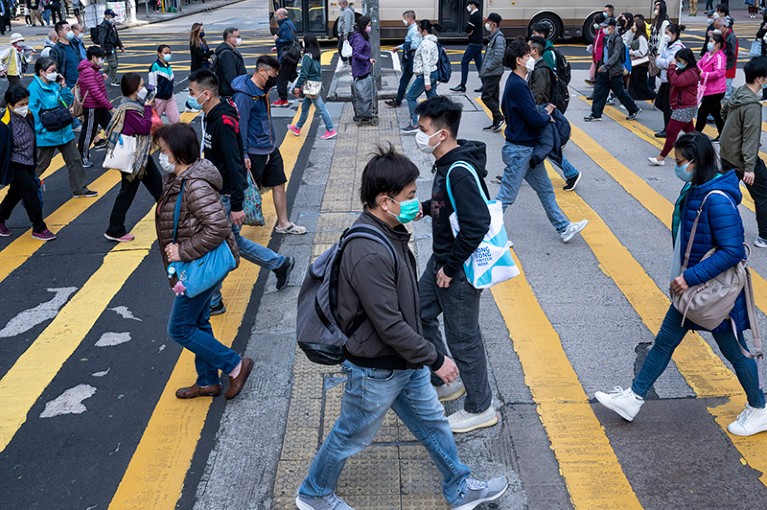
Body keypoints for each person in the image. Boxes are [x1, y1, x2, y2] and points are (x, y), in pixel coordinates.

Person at [295, 145, 510, 510]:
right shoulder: (370, 252)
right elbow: (390, 324)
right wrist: (436, 358)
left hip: (402, 363)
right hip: (376, 368)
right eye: (410, 197)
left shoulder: (386, 231)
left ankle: (460, 486)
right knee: (350, 435)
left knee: (434, 425)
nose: (415, 204)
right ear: (385, 201)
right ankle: (313, 494)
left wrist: (421, 358)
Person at [595, 132, 767, 437]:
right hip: (692, 292)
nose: (677, 167)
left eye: (681, 162)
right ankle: (633, 399)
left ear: (696, 162)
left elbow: (733, 250)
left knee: (736, 352)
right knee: (664, 341)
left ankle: (759, 408)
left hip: (715, 295)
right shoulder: (697, 188)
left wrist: (689, 277)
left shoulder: (717, 200)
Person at [154, 122, 254, 402]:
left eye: (163, 150)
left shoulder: (194, 185)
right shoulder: (180, 178)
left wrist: (182, 251)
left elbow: (218, 227)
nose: (161, 155)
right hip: (196, 266)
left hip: (197, 267)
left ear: (177, 151)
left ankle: (234, 365)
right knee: (198, 322)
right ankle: (208, 381)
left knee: (180, 328)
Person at [412, 96, 495, 433]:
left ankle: (480, 407)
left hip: (456, 268)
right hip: (443, 258)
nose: (419, 135)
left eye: (423, 129)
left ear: (442, 134)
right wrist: (422, 208)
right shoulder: (447, 164)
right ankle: (448, 375)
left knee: (464, 337)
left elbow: (478, 222)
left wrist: (449, 268)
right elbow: (445, 204)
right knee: (418, 312)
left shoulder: (458, 170)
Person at [188, 69, 296, 314]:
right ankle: (279, 264)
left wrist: (236, 204)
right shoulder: (212, 114)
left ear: (206, 94)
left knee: (219, 246)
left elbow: (234, 164)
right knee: (232, 242)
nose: (190, 97)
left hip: (225, 194)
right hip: (217, 191)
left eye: (192, 92)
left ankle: (214, 300)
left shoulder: (222, 121)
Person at [499, 39, 588, 242]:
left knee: (546, 189)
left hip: (526, 149)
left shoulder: (516, 82)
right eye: (528, 55)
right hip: (520, 150)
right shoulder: (517, 84)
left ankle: (564, 228)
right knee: (506, 196)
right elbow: (532, 117)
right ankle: (488, 234)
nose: (532, 58)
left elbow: (511, 111)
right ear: (519, 60)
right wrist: (546, 115)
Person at [232, 56, 307, 237]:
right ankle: (230, 233)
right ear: (262, 71)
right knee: (247, 192)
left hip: (270, 147)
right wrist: (243, 154)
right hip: (253, 151)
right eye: (273, 74)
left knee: (279, 183)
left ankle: (284, 223)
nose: (275, 77)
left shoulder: (263, 90)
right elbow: (240, 127)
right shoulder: (244, 95)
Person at [102, 73, 162, 242]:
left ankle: (116, 228)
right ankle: (115, 228)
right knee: (150, 190)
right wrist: (149, 109)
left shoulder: (133, 104)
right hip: (136, 158)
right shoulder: (130, 109)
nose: (144, 88)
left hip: (138, 156)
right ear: (135, 88)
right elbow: (143, 127)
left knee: (153, 190)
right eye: (142, 85)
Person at [28, 57, 96, 198]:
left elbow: (67, 102)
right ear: (42, 72)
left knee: (74, 159)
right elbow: (31, 114)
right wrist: (42, 130)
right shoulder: (34, 89)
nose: (55, 73)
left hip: (63, 130)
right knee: (41, 164)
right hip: (47, 134)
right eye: (52, 70)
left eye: (55, 70)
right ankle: (23, 188)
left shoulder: (54, 84)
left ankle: (80, 189)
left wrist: (64, 86)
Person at [720, 56, 767, 248]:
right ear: (760, 79)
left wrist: (731, 134)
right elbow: (751, 138)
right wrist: (749, 168)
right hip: (742, 159)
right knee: (763, 195)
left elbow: (723, 112)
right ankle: (764, 236)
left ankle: (719, 229)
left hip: (727, 153)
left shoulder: (739, 92)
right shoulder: (753, 106)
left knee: (726, 195)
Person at [526, 36, 583, 191]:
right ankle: (510, 176)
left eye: (528, 48)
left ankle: (572, 173)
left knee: (547, 148)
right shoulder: (538, 67)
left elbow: (538, 95)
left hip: (540, 112)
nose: (526, 51)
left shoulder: (541, 69)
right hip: (540, 112)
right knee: (530, 147)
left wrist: (528, 111)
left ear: (534, 51)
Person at [0, 86, 55, 241]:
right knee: (31, 192)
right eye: (21, 105)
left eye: (26, 103)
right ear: (10, 105)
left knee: (16, 193)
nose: (25, 107)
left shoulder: (28, 116)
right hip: (14, 164)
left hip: (29, 162)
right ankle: (39, 228)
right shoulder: (3, 124)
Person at [584, 18, 641, 122]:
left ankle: (634, 109)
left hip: (614, 72)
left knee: (620, 93)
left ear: (612, 27)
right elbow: (604, 54)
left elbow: (615, 55)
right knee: (599, 92)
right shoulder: (606, 38)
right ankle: (596, 114)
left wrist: (605, 66)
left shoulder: (617, 39)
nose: (603, 29)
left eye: (605, 27)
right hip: (604, 71)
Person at [649, 49, 699, 166]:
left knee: (671, 131)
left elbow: (676, 82)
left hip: (685, 107)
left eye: (679, 60)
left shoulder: (691, 73)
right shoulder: (684, 70)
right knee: (690, 132)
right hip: (683, 106)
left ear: (687, 61)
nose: (676, 62)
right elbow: (672, 79)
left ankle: (661, 157)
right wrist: (673, 69)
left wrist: (671, 67)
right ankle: (701, 151)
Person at [288, 34, 337, 140]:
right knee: (305, 107)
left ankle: (330, 129)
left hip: (311, 86)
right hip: (315, 84)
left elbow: (304, 74)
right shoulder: (316, 54)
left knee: (321, 108)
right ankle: (297, 127)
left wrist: (297, 87)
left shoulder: (307, 56)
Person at [400, 19, 439, 134]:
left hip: (426, 75)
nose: (417, 30)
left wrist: (426, 81)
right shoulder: (432, 41)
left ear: (424, 30)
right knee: (432, 100)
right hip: (432, 73)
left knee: (411, 97)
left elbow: (426, 63)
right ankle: (438, 122)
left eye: (418, 28)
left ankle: (415, 123)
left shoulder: (426, 44)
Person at [77, 45, 113, 168]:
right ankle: (83, 157)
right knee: (89, 133)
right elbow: (95, 92)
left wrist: (99, 77)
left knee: (112, 127)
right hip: (92, 107)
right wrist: (110, 106)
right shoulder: (88, 71)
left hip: (99, 106)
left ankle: (114, 153)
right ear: (93, 57)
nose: (103, 60)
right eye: (101, 58)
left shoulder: (93, 70)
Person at [651, 22, 685, 138]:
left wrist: (660, 61)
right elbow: (659, 61)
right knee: (659, 103)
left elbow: (667, 62)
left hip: (672, 80)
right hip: (665, 79)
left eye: (667, 33)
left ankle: (668, 130)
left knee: (666, 105)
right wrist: (660, 61)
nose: (665, 35)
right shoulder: (667, 44)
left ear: (674, 34)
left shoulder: (677, 48)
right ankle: (673, 124)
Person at [386, 10, 420, 108]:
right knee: (406, 80)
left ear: (409, 18)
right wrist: (399, 47)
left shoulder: (413, 30)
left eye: (404, 18)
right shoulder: (412, 28)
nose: (403, 21)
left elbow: (414, 45)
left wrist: (403, 47)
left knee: (406, 80)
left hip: (412, 59)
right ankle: (398, 100)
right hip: (411, 59)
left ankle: (398, 101)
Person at [478, 13, 505, 132]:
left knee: (486, 96)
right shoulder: (494, 37)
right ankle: (495, 122)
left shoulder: (499, 38)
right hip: (492, 72)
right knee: (493, 97)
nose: (486, 25)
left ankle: (499, 117)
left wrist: (487, 68)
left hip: (493, 73)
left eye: (488, 22)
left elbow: (498, 57)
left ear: (493, 24)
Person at [696, 33, 727, 139]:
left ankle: (695, 135)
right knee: (717, 113)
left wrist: (704, 74)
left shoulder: (719, 57)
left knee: (702, 113)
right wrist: (700, 70)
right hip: (708, 88)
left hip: (716, 90)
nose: (708, 44)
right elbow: (699, 63)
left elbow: (719, 72)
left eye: (711, 41)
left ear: (718, 44)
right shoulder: (708, 54)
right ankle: (723, 134)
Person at [449, 0, 482, 93]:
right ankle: (485, 85)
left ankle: (462, 85)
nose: (468, 6)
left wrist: (469, 32)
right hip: (478, 43)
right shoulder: (478, 14)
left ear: (473, 5)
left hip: (474, 43)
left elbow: (468, 29)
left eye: (469, 4)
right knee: (479, 65)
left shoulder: (474, 16)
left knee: (464, 62)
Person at [349, 15, 377, 122]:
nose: (370, 27)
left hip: (362, 68)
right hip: (361, 69)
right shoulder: (360, 39)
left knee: (363, 91)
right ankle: (365, 112)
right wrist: (368, 59)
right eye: (368, 25)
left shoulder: (360, 36)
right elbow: (356, 53)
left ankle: (364, 111)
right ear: (363, 26)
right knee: (363, 92)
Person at [272, 8, 298, 108]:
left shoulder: (284, 25)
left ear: (281, 16)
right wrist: (277, 47)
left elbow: (287, 40)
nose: (275, 18)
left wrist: (277, 40)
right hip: (291, 54)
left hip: (286, 56)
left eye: (276, 16)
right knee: (292, 75)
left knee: (281, 78)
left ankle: (283, 100)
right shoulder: (289, 23)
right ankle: (306, 91)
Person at [148, 44, 180, 125]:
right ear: (159, 54)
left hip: (169, 97)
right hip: (159, 98)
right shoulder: (154, 66)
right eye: (165, 53)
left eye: (169, 53)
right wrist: (151, 99)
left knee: (175, 120)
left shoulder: (168, 66)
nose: (168, 55)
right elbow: (152, 84)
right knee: (155, 122)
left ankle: (175, 137)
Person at [213, 27, 246, 98]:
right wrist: (238, 89)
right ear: (229, 38)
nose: (239, 39)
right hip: (230, 93)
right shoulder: (226, 54)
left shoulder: (231, 51)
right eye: (237, 37)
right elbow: (230, 75)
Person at [50, 20, 83, 88]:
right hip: (67, 86)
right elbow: (54, 70)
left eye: (70, 29)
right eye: (68, 30)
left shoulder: (74, 45)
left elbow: (82, 62)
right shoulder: (56, 50)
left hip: (80, 83)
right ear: (60, 33)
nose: (71, 32)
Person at [96, 8, 124, 87]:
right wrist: (103, 49)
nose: (113, 18)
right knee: (113, 64)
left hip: (113, 47)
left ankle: (99, 75)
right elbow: (101, 38)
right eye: (112, 16)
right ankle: (114, 80)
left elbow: (116, 36)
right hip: (108, 48)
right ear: (107, 16)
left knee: (114, 64)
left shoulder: (111, 24)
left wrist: (121, 46)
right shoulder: (104, 26)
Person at [628, 18, 655, 100]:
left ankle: (654, 96)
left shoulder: (641, 38)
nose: (633, 27)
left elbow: (642, 52)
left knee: (641, 84)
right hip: (636, 64)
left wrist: (633, 53)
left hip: (641, 64)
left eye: (634, 25)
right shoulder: (636, 36)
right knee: (634, 83)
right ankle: (631, 99)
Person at [648, 0, 670, 94]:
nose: (655, 10)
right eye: (655, 8)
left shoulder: (664, 22)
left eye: (657, 9)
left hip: (657, 51)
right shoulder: (656, 21)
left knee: (656, 70)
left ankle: (653, 88)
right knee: (652, 69)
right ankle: (651, 88)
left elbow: (663, 39)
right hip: (652, 50)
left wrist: (659, 52)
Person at [714, 15, 737, 100]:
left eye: (719, 27)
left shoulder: (731, 37)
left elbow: (732, 53)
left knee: (726, 93)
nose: (718, 29)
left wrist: (720, 55)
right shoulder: (725, 36)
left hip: (729, 67)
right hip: (724, 67)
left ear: (724, 26)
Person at [0, 33, 29, 102]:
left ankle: (3, 104)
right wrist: (1, 69)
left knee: (11, 89)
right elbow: (0, 58)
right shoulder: (10, 50)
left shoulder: (20, 51)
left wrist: (30, 56)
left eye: (22, 41)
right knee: (23, 89)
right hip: (11, 73)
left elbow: (23, 61)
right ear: (15, 42)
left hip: (17, 73)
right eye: (19, 41)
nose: (21, 42)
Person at [336, 0, 354, 66]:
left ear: (343, 4)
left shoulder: (347, 12)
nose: (339, 6)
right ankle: (349, 62)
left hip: (347, 33)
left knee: (342, 47)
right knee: (346, 48)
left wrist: (345, 34)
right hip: (346, 33)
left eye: (339, 4)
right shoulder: (346, 11)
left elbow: (347, 24)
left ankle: (348, 62)